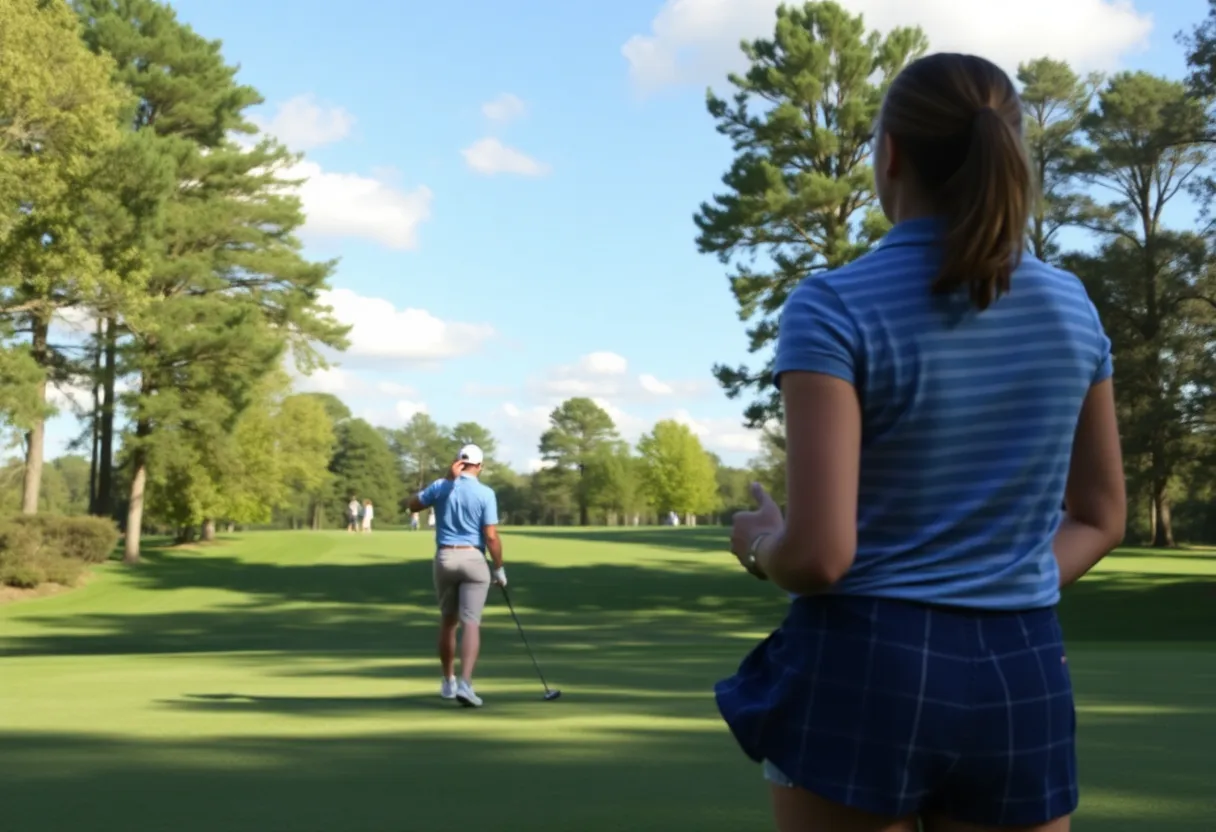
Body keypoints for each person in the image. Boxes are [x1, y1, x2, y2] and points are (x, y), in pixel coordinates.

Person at [717, 52, 1126, 832]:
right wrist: (997, 584)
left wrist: (759, 542)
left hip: (865, 663)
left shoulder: (831, 305)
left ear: (890, 153)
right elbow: (1101, 518)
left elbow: (820, 557)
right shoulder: (1073, 308)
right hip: (1022, 668)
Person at [408, 443, 505, 708]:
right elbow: (491, 537)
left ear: (458, 461)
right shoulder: (486, 493)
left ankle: (448, 681)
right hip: (474, 559)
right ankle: (466, 683)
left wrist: (446, 481)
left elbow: (412, 505)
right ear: (480, 466)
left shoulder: (441, 486)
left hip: (445, 558)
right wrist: (499, 568)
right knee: (471, 622)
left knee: (448, 621)